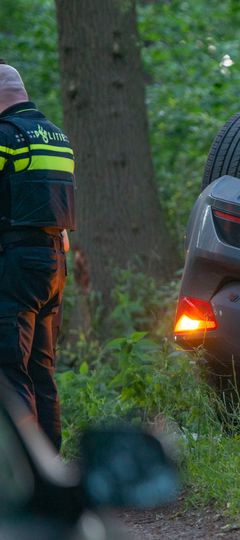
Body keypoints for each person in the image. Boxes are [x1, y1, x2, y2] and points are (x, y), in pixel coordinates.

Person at [0, 62, 74, 452]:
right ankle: (51, 460)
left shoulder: (5, 136)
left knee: (10, 367)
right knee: (40, 369)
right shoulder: (57, 136)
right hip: (53, 265)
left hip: (15, 265)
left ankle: (27, 471)